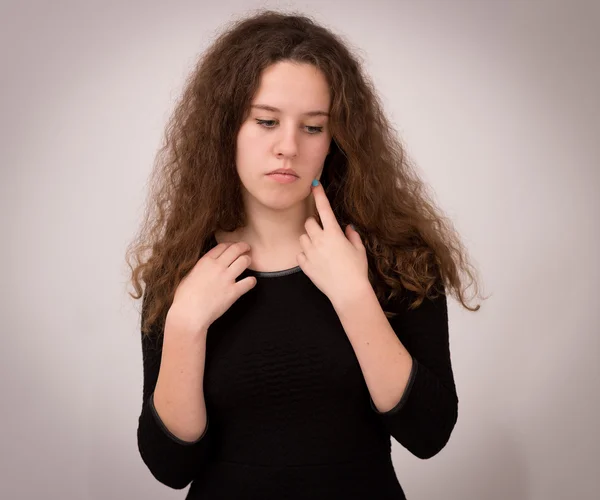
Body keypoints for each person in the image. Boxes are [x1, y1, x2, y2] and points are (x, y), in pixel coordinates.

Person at [125, 9, 484, 500]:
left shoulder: (396, 259)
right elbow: (171, 467)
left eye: (313, 127)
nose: (287, 147)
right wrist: (186, 326)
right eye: (266, 121)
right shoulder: (185, 269)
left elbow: (428, 434)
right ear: (226, 129)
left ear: (336, 139)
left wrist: (355, 297)